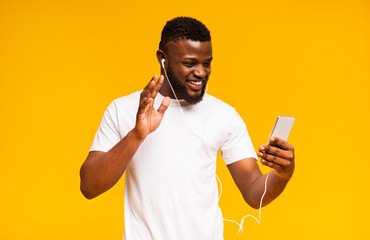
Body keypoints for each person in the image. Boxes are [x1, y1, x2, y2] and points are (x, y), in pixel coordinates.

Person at [80, 17, 295, 240]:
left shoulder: (224, 115)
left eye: (206, 63)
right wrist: (137, 135)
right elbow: (89, 186)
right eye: (190, 63)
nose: (201, 72)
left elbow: (253, 192)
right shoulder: (122, 109)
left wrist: (282, 174)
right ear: (163, 59)